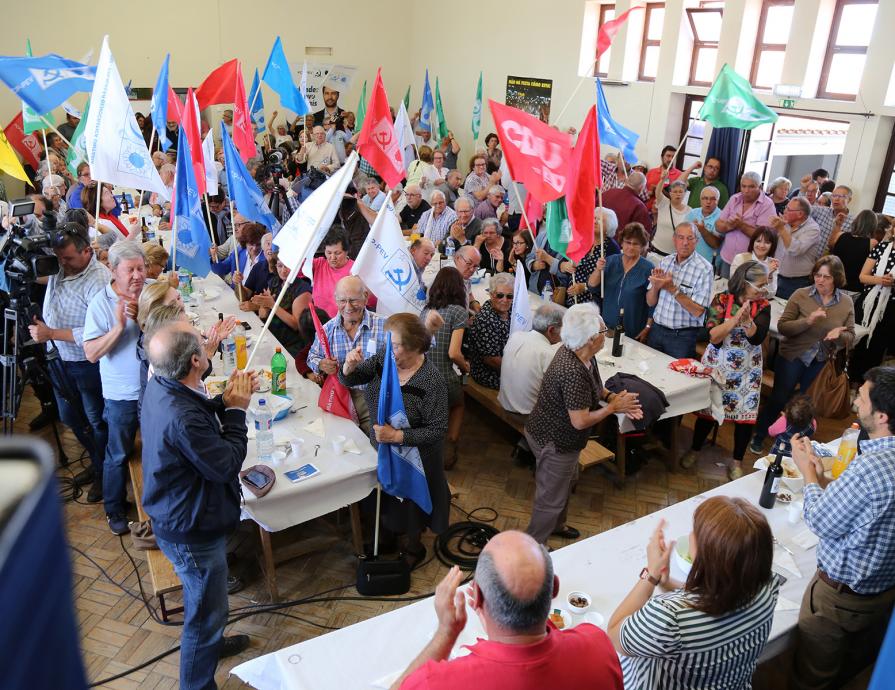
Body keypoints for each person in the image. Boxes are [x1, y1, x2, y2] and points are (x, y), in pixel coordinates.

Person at [141, 323, 254, 690]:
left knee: (208, 603)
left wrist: (222, 401)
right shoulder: (181, 415)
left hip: (183, 512)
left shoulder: (162, 384)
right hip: (191, 531)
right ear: (195, 361)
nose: (208, 344)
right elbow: (224, 464)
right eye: (203, 343)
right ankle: (197, 682)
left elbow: (196, 412)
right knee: (204, 615)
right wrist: (236, 413)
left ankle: (212, 643)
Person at [392, 532, 624, 690]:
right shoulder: (598, 648)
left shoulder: (437, 682)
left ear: (476, 598)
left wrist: (446, 632)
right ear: (554, 587)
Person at [790, 366, 895, 690]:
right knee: (848, 666)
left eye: (862, 398)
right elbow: (873, 514)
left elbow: (821, 520)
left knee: (812, 676)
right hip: (883, 595)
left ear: (881, 417)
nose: (855, 403)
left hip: (840, 601)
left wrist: (807, 472)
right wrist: (823, 479)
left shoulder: (869, 469)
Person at [607, 498, 779, 689]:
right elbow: (716, 597)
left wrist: (651, 573)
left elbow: (614, 635)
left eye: (696, 532)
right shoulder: (767, 585)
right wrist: (666, 583)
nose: (690, 535)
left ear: (709, 556)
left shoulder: (668, 618)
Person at [524, 304, 641, 543]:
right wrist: (612, 408)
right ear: (590, 339)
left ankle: (557, 525)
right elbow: (579, 421)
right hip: (554, 441)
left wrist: (610, 397)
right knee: (550, 499)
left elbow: (596, 387)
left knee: (565, 484)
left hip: (562, 440)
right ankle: (535, 546)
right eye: (602, 331)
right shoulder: (571, 371)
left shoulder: (583, 355)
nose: (605, 334)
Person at [340, 313, 449, 568]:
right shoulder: (383, 360)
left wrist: (398, 436)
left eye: (396, 345)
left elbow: (437, 429)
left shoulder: (431, 380)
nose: (390, 349)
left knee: (411, 504)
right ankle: (387, 538)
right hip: (383, 448)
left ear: (414, 347)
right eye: (388, 342)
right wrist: (349, 366)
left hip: (417, 459)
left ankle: (413, 546)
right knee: (385, 498)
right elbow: (353, 379)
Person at [28, 223, 110, 503]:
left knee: (96, 421)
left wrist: (50, 333)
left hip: (85, 363)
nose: (61, 264)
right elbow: (39, 275)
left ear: (87, 251)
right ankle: (97, 462)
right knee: (69, 417)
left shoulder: (98, 280)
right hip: (58, 358)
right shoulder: (62, 266)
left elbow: (93, 334)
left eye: (68, 259)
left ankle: (103, 474)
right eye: (58, 258)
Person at [751, 256, 855, 454]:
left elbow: (850, 335)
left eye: (826, 276)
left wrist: (839, 336)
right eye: (817, 275)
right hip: (792, 356)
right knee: (779, 398)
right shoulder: (801, 294)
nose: (820, 280)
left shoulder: (846, 302)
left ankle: (797, 444)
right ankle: (760, 434)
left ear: (837, 279)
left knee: (806, 404)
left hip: (820, 361)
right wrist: (808, 321)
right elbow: (783, 327)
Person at [680, 262, 771, 479]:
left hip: (747, 370)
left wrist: (749, 323)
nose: (763, 290)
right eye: (760, 285)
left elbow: (757, 338)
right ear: (745, 283)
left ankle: (737, 461)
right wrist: (736, 320)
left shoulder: (764, 306)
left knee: (745, 417)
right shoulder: (721, 300)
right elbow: (713, 336)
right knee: (708, 411)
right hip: (719, 364)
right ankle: (695, 449)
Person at [83, 241, 147, 535]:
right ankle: (115, 509)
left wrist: (145, 319)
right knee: (118, 453)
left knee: (157, 449)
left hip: (154, 391)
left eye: (141, 268)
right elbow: (91, 353)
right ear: (114, 270)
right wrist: (119, 327)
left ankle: (155, 503)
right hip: (121, 395)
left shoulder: (151, 292)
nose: (137, 275)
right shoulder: (100, 303)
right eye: (130, 269)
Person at [307, 276, 387, 434]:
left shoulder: (385, 325)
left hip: (373, 400)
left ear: (365, 298)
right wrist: (322, 364)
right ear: (336, 300)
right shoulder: (327, 330)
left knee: (372, 450)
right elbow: (311, 356)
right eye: (343, 301)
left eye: (353, 300)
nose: (348, 307)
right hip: (339, 398)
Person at [422, 268, 471, 469]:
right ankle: (449, 449)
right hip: (443, 376)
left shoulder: (425, 311)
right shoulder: (459, 312)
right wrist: (465, 367)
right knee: (458, 404)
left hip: (423, 376)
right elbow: (453, 353)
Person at [646, 223, 714, 359]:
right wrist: (656, 286)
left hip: (682, 337)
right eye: (681, 237)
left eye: (690, 238)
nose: (685, 243)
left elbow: (698, 311)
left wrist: (672, 288)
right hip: (657, 330)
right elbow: (650, 302)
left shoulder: (705, 269)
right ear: (674, 239)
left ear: (697, 241)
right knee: (649, 375)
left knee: (676, 378)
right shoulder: (665, 261)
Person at [498, 303, 565, 418]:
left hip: (506, 402)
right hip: (527, 414)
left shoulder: (515, 336)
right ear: (551, 330)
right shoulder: (548, 353)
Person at [590, 222, 654, 339]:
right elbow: (592, 286)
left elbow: (653, 305)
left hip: (632, 331)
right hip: (606, 327)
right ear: (622, 242)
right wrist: (598, 270)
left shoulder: (648, 268)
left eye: (636, 244)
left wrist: (648, 327)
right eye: (628, 242)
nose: (630, 247)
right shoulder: (610, 261)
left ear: (643, 246)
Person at [851, 227, 895, 382]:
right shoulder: (882, 247)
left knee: (876, 348)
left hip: (889, 309)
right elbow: (863, 276)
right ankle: (848, 383)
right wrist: (881, 280)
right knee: (857, 344)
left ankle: (866, 386)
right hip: (868, 302)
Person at [716, 172, 778, 278]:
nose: (746, 190)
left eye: (751, 187)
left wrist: (741, 225)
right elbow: (718, 225)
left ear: (760, 187)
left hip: (751, 263)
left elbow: (765, 236)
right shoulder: (734, 198)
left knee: (745, 293)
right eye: (743, 186)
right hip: (728, 257)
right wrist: (729, 226)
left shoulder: (767, 204)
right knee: (724, 291)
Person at [251, 254, 313, 357]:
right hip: (271, 336)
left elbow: (297, 325)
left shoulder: (302, 290)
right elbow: (263, 315)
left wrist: (272, 305)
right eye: (280, 266)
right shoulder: (274, 282)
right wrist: (264, 305)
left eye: (287, 266)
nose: (283, 271)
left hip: (291, 344)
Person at [561, 208, 621, 307]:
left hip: (594, 304)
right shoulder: (583, 240)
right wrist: (564, 265)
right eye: (594, 218)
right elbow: (564, 261)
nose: (595, 221)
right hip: (572, 299)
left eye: (601, 220)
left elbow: (610, 279)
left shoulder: (612, 248)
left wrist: (584, 287)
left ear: (610, 226)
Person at [468, 272, 514, 389]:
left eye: (509, 296)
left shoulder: (511, 309)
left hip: (508, 363)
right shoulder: (485, 319)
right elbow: (491, 360)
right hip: (489, 373)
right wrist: (517, 373)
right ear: (491, 294)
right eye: (500, 295)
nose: (505, 300)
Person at [771, 197, 822, 299]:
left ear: (800, 214)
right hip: (776, 276)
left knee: (788, 312)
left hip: (796, 282)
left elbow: (795, 250)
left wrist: (781, 229)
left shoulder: (813, 229)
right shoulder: (785, 222)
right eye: (786, 207)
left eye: (788, 209)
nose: (784, 211)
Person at [308, 228, 355, 318]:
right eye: (329, 252)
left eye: (337, 253)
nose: (332, 257)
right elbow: (293, 267)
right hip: (320, 324)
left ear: (346, 251)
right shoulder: (318, 264)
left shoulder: (355, 271)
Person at [831, 208, 877, 292]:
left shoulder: (840, 235)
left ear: (856, 221)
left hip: (834, 282)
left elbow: (830, 245)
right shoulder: (872, 243)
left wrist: (838, 225)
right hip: (853, 287)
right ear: (873, 226)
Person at [730, 226, 779, 297]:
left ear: (772, 245)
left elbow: (771, 293)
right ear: (753, 242)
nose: (761, 245)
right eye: (758, 241)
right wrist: (764, 272)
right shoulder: (740, 258)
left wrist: (770, 275)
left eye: (767, 243)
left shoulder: (772, 263)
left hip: (759, 304)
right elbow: (735, 285)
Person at [810, 184, 854, 258]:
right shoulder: (822, 211)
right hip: (811, 260)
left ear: (849, 199)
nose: (836, 199)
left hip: (831, 264)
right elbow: (802, 208)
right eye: (834, 196)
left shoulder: (853, 222)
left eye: (841, 196)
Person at [652, 178, 692, 256]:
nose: (678, 194)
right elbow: (657, 191)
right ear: (670, 193)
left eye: (681, 192)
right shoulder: (664, 203)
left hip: (675, 255)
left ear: (685, 194)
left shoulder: (690, 211)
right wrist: (662, 179)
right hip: (656, 250)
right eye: (675, 192)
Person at [685, 185, 723, 267]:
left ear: (718, 200)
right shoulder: (693, 213)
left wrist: (702, 230)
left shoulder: (722, 217)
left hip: (708, 265)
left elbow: (715, 244)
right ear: (700, 200)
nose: (708, 202)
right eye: (705, 198)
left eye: (712, 199)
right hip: (689, 261)